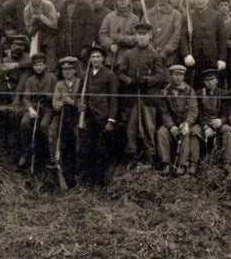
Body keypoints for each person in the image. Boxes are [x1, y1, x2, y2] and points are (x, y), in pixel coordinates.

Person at [118, 22, 167, 168]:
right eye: (139, 34)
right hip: (133, 97)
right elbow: (120, 73)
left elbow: (161, 77)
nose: (142, 38)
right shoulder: (128, 54)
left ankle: (150, 156)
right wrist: (130, 81)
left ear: (150, 36)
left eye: (144, 35)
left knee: (148, 127)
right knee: (131, 128)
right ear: (136, 36)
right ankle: (133, 156)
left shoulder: (156, 55)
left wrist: (146, 80)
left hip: (149, 97)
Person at [78, 44, 119, 186]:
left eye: (98, 57)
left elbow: (114, 99)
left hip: (103, 117)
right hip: (88, 117)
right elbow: (80, 95)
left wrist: (111, 120)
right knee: (88, 148)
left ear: (103, 59)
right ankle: (89, 180)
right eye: (93, 57)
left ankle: (102, 181)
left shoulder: (109, 75)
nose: (95, 59)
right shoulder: (86, 75)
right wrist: (80, 105)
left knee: (102, 149)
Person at [13, 52, 57, 170]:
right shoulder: (30, 79)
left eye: (41, 65)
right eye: (36, 65)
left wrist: (47, 96)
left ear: (45, 66)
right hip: (33, 107)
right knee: (24, 123)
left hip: (47, 108)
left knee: (44, 125)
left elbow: (56, 95)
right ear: (33, 66)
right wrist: (30, 109)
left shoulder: (52, 78)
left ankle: (46, 154)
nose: (38, 67)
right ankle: (27, 151)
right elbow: (26, 97)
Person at [156, 64, 201, 176]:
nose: (178, 77)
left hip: (186, 122)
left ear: (184, 77)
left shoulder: (189, 91)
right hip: (172, 123)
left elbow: (193, 110)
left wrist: (186, 123)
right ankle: (166, 163)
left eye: (181, 75)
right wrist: (171, 126)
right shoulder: (166, 92)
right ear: (171, 76)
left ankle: (182, 164)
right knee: (162, 132)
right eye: (175, 74)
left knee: (185, 132)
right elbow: (164, 112)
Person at [49, 56, 82, 187]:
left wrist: (73, 103)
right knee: (53, 135)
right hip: (62, 116)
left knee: (79, 140)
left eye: (69, 69)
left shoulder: (80, 83)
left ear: (75, 70)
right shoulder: (59, 84)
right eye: (64, 70)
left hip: (77, 116)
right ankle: (55, 161)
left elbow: (83, 102)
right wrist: (62, 102)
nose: (67, 72)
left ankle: (78, 172)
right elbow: (55, 104)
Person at [196, 68, 231, 170]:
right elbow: (197, 112)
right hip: (204, 123)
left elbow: (228, 111)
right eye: (207, 80)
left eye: (212, 79)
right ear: (204, 82)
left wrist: (221, 121)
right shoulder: (199, 94)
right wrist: (205, 126)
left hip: (218, 122)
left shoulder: (224, 94)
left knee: (227, 130)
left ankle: (227, 161)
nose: (209, 82)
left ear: (216, 80)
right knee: (195, 132)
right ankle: (196, 162)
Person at [98, 0, 139, 69]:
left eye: (125, 0)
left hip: (128, 57)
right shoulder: (109, 17)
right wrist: (110, 44)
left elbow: (137, 37)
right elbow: (102, 34)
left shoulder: (134, 19)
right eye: (120, 0)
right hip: (111, 56)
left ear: (129, 1)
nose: (122, 2)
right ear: (116, 2)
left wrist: (122, 39)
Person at [23, 0, 60, 70]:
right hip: (36, 39)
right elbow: (28, 30)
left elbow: (54, 24)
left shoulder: (48, 5)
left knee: (51, 65)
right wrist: (33, 23)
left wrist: (41, 17)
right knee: (37, 64)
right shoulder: (27, 10)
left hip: (50, 38)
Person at [147, 0, 184, 67]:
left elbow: (176, 35)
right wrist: (152, 50)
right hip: (151, 54)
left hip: (170, 56)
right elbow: (144, 34)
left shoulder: (176, 14)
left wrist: (166, 51)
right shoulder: (148, 14)